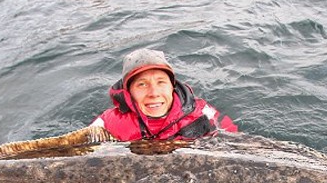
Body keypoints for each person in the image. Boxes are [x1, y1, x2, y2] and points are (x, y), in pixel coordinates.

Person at [90, 48, 238, 140]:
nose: (154, 93)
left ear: (172, 86)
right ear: (129, 92)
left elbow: (233, 141)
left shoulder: (203, 112)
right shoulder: (106, 124)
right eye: (142, 84)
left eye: (161, 82)